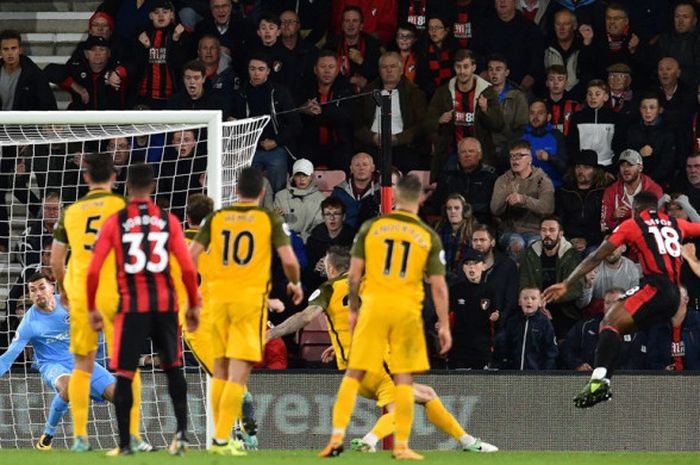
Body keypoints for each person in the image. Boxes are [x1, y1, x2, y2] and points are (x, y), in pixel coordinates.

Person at [268, 246, 497, 453]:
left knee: (426, 395)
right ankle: (370, 440)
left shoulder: (328, 289)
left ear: (330, 267)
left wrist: (275, 332)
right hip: (377, 362)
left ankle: (468, 442)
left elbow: (306, 317)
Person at [320, 174, 451, 460]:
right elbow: (439, 286)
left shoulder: (371, 227)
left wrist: (353, 311)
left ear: (396, 198)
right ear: (421, 199)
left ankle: (335, 439)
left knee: (352, 376)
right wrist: (444, 324)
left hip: (374, 307)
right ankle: (402, 447)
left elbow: (353, 275)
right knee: (403, 380)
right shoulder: (428, 235)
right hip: (405, 311)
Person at [543, 191, 700, 408]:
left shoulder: (632, 224)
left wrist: (567, 283)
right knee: (618, 329)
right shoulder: (676, 223)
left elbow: (597, 256)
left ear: (635, 209)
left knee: (608, 322)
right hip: (674, 296)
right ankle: (603, 379)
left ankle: (600, 381)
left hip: (656, 287)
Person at [86, 163, 200, 455]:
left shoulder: (116, 221)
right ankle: (182, 436)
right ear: (152, 188)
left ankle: (125, 445)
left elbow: (94, 270)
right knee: (173, 369)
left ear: (127, 187)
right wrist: (194, 304)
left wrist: (91, 307)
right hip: (165, 306)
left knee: (124, 374)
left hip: (131, 308)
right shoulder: (168, 220)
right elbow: (187, 267)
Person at [189, 166, 302, 455]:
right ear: (263, 191)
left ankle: (223, 438)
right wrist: (294, 283)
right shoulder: (267, 220)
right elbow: (288, 259)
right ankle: (224, 438)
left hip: (216, 305)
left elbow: (190, 259)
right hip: (248, 306)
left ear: (235, 190)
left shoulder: (216, 218)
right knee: (238, 376)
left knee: (221, 372)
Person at [49, 154, 147, 453]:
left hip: (82, 294)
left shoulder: (71, 212)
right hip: (117, 293)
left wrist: (65, 288)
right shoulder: (124, 207)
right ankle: (131, 436)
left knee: (82, 366)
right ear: (115, 177)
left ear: (85, 177)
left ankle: (80, 438)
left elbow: (55, 259)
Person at [0, 273, 140, 451]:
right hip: (52, 365)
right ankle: (47, 435)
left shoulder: (68, 303)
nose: (38, 293)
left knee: (122, 398)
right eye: (32, 290)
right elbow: (8, 357)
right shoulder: (29, 323)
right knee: (71, 386)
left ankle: (129, 442)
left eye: (42, 287)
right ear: (29, 295)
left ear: (52, 287)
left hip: (80, 361)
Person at [425, 49, 504, 179]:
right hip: (451, 154)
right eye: (458, 67)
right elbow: (427, 124)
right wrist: (439, 120)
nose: (462, 71)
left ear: (474, 67)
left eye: (466, 67)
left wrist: (485, 111)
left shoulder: (487, 91)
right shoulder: (443, 92)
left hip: (481, 155)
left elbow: (499, 125)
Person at [230, 52, 301, 193]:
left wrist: (276, 141)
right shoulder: (239, 93)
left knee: (277, 176)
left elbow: (296, 124)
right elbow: (231, 118)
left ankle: (277, 210)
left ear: (268, 71)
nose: (256, 73)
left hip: (276, 147)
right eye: (252, 69)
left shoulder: (280, 92)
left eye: (261, 69)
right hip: (248, 148)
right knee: (247, 187)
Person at [354, 51, 429, 174]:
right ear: (379, 70)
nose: (389, 70)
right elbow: (357, 124)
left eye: (393, 66)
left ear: (401, 70)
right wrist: (372, 137)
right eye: (384, 67)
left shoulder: (415, 93)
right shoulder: (367, 92)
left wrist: (398, 139)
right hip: (373, 146)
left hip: (403, 146)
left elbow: (421, 125)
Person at [490, 139, 555, 261]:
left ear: (530, 158)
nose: (515, 159)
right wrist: (508, 189)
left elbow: (548, 208)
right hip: (509, 232)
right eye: (512, 156)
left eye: (520, 155)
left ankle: (531, 280)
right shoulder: (503, 180)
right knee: (517, 244)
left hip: (535, 232)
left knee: (534, 247)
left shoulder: (542, 180)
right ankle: (514, 279)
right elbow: (495, 209)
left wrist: (523, 200)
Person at [519, 215, 583, 339]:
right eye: (544, 230)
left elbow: (576, 288)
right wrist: (537, 303)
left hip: (565, 311)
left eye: (552, 230)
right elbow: (524, 283)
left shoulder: (571, 255)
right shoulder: (530, 253)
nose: (547, 234)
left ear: (561, 234)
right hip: (535, 308)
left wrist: (545, 299)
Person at [563, 287, 648, 371]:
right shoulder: (584, 326)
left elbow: (636, 361)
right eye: (607, 303)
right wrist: (577, 364)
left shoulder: (635, 332)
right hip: (587, 377)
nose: (611, 307)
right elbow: (567, 349)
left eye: (615, 303)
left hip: (622, 380)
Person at [298, 50, 355, 170]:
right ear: (315, 70)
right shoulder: (304, 88)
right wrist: (303, 109)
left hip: (339, 146)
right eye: (323, 67)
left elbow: (348, 116)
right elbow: (293, 112)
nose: (327, 71)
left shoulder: (346, 89)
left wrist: (321, 111)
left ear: (337, 70)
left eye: (331, 67)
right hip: (310, 145)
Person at [471, 0, 544, 91]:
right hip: (489, 85)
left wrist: (531, 76)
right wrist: (482, 72)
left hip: (520, 87)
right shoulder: (483, 26)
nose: (502, 1)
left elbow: (537, 59)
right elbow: (474, 53)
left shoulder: (530, 28)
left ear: (515, 2)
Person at [449, 249, 499, 369]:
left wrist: (496, 315)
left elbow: (495, 312)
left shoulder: (489, 290)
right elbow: (448, 314)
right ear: (463, 268)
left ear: (483, 266)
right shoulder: (455, 290)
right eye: (467, 264)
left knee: (480, 384)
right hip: (459, 348)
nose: (471, 267)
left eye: (475, 263)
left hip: (482, 348)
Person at [430, 137, 497, 226]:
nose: (467, 155)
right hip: (452, 223)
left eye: (471, 151)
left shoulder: (490, 176)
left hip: (481, 224)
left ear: (480, 155)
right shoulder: (447, 176)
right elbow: (438, 204)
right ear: (458, 156)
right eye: (463, 152)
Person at [555, 149, 607, 255]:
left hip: (594, 241)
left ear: (595, 170)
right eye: (578, 167)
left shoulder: (603, 192)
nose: (581, 171)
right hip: (568, 239)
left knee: (592, 255)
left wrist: (587, 240)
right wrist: (569, 239)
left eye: (586, 167)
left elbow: (604, 223)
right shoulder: (564, 191)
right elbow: (558, 219)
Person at [495, 287, 558, 370]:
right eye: (525, 298)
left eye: (533, 298)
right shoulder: (512, 322)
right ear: (519, 302)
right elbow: (504, 346)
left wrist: (545, 373)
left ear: (540, 303)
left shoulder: (545, 323)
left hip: (536, 374)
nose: (529, 301)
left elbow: (551, 352)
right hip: (513, 373)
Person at [601, 149, 663, 233]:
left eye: (630, 165)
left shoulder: (654, 190)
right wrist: (613, 217)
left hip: (646, 236)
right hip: (620, 238)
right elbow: (604, 227)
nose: (626, 169)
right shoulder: (611, 191)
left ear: (640, 168)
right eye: (623, 165)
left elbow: (661, 222)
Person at [623, 92, 676, 190]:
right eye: (644, 108)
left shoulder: (667, 132)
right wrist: (639, 154)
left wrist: (647, 181)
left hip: (659, 183)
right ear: (640, 110)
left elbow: (667, 163)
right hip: (635, 182)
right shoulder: (632, 131)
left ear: (660, 110)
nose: (647, 111)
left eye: (652, 107)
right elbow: (626, 158)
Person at [304, 197, 356, 291]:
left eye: (336, 214)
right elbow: (307, 270)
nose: (332, 218)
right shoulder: (314, 239)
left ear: (343, 217)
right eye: (328, 214)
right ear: (323, 217)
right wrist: (315, 268)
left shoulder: (353, 238)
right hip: (319, 285)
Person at [326, 6, 381, 93]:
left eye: (355, 21)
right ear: (342, 25)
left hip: (366, 94)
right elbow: (325, 74)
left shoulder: (372, 44)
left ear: (361, 26)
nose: (350, 24)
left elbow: (378, 74)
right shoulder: (332, 45)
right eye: (347, 21)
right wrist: (350, 81)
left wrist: (361, 62)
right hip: (339, 93)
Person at [646, 286, 700, 371]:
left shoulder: (697, 322)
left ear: (686, 300)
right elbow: (651, 359)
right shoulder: (658, 326)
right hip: (667, 380)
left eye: (675, 296)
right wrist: (662, 369)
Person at [0, 29, 57, 110]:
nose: (10, 53)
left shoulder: (34, 74)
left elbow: (48, 105)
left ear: (20, 50)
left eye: (13, 48)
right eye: (5, 49)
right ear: (0, 52)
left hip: (24, 121)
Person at [487, 54, 529, 164]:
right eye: (490, 69)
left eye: (498, 69)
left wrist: (508, 148)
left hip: (509, 149)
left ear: (507, 72)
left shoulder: (518, 96)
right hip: (486, 148)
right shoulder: (482, 95)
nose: (494, 73)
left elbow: (522, 128)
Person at [517, 99, 568, 188]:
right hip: (525, 188)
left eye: (540, 113)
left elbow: (565, 168)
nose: (535, 117)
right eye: (532, 113)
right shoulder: (520, 135)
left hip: (553, 187)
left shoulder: (556, 136)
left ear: (548, 117)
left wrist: (549, 157)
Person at [273, 158, 326, 242]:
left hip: (309, 243)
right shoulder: (280, 196)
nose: (302, 179)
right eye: (298, 175)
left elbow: (318, 226)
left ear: (312, 176)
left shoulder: (320, 199)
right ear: (293, 177)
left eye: (305, 175)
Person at [331, 152, 379, 229]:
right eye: (357, 165)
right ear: (351, 169)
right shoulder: (339, 192)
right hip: (345, 236)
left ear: (373, 168)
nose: (361, 168)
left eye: (365, 164)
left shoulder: (380, 191)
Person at [434, 193, 477, 277]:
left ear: (465, 211)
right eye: (449, 208)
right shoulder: (440, 229)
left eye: (456, 208)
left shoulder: (473, 231)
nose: (452, 211)